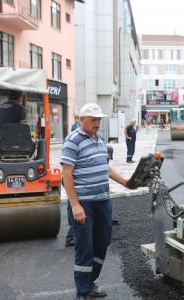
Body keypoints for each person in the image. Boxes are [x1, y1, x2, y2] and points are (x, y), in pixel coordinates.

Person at [61, 103, 134, 299]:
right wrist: (75, 204)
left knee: (102, 242)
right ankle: (83, 291)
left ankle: (90, 281)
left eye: (99, 120)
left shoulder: (99, 139)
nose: (97, 123)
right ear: (81, 120)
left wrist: (125, 182)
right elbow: (66, 175)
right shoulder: (73, 141)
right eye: (93, 120)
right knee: (85, 248)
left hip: (103, 201)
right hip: (84, 203)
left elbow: (105, 167)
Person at [65, 145, 115, 247]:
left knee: (84, 220)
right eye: (109, 155)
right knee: (78, 219)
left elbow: (105, 172)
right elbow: (66, 175)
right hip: (81, 195)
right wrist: (74, 202)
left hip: (94, 196)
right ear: (108, 153)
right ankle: (71, 238)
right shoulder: (76, 146)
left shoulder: (102, 154)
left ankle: (79, 237)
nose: (109, 157)